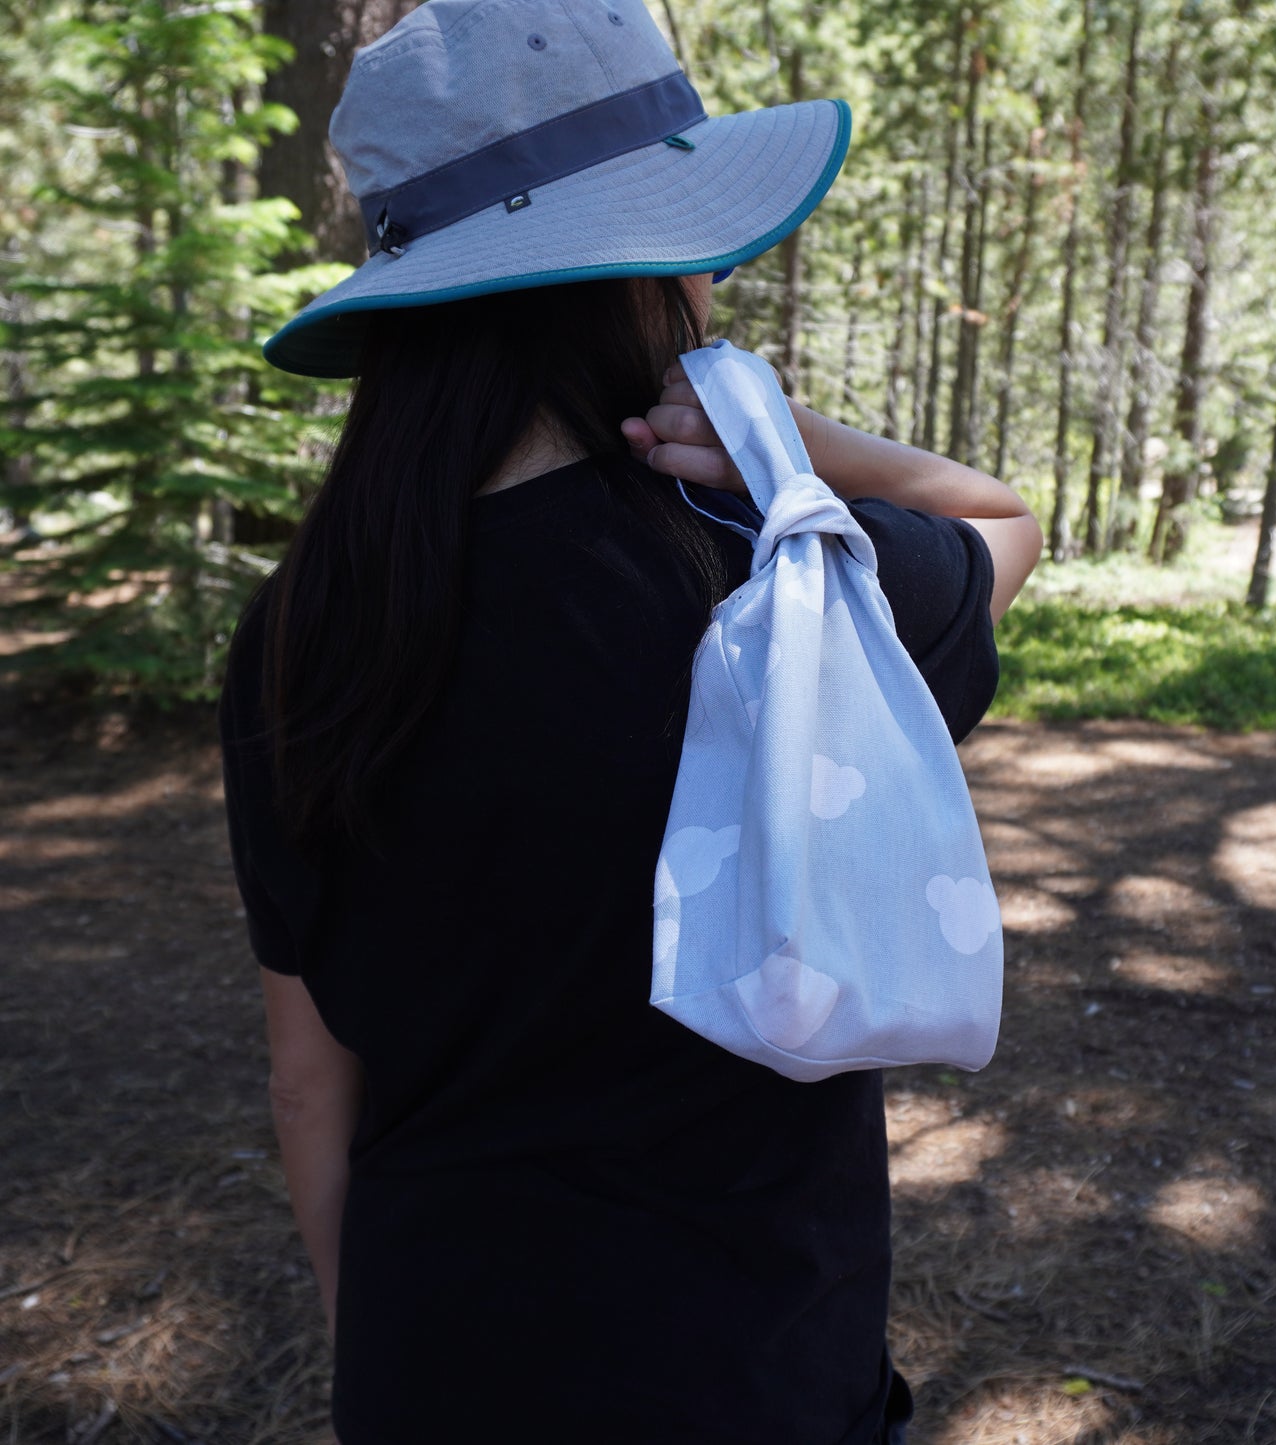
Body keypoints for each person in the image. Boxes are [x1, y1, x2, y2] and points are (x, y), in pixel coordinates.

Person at [218, 3, 1043, 1442]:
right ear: (637, 269)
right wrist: (787, 448)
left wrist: (379, 1347)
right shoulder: (766, 568)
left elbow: (308, 1077)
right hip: (755, 1363)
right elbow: (1001, 519)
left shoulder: (301, 631)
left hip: (437, 1352)